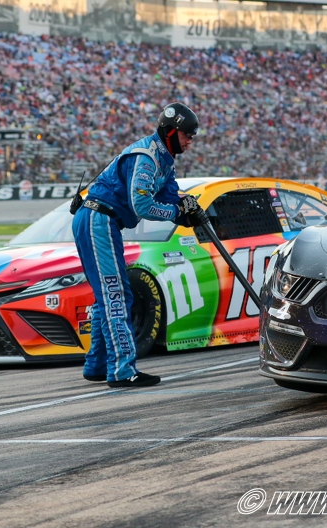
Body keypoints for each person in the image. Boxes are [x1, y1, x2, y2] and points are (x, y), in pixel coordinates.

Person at [72, 102, 205, 388]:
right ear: (171, 131)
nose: (190, 141)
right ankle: (122, 370)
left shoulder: (164, 159)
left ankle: (97, 365)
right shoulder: (146, 156)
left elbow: (170, 196)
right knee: (116, 294)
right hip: (99, 218)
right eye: (187, 134)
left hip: (101, 220)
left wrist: (188, 208)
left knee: (107, 295)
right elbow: (142, 204)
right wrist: (175, 213)